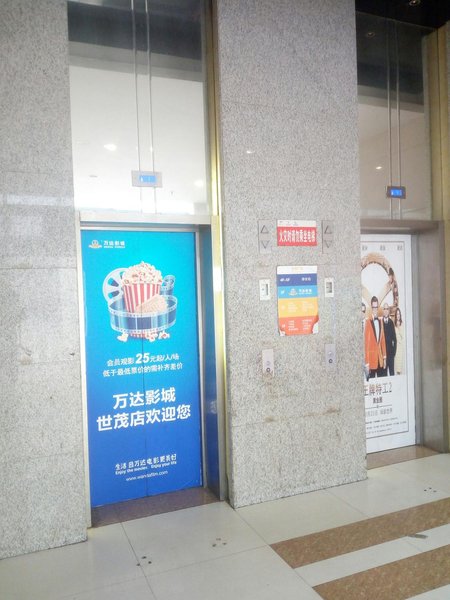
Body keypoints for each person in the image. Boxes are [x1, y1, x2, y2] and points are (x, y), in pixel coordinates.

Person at [364, 296, 386, 378]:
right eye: (373, 307)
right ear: (371, 307)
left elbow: (383, 341)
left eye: (376, 307)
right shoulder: (368, 322)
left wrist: (384, 358)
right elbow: (366, 344)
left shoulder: (381, 321)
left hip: (380, 360)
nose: (375, 310)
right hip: (371, 361)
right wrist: (367, 363)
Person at [382, 303, 397, 376]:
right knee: (383, 375)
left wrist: (393, 353)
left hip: (391, 355)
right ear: (383, 310)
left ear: (388, 311)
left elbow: (395, 339)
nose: (386, 310)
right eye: (384, 309)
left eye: (387, 309)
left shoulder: (391, 323)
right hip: (383, 356)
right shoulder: (380, 322)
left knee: (392, 374)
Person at [394, 307, 404, 375]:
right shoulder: (394, 325)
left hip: (401, 348)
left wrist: (399, 327)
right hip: (396, 348)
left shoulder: (402, 324)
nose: (398, 315)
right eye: (397, 314)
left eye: (399, 314)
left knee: (400, 367)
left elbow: (402, 336)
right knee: (397, 367)